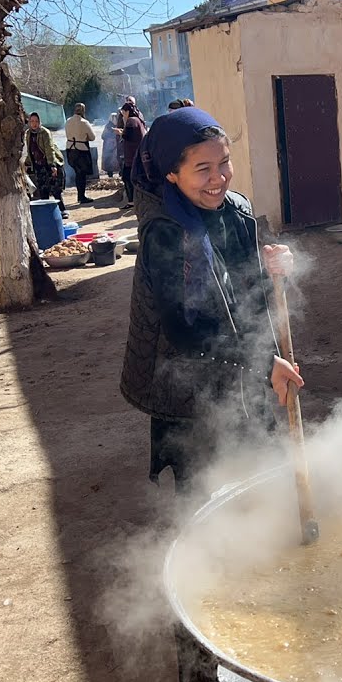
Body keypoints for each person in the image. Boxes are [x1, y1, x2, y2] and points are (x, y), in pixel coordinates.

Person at [120, 106, 303, 496]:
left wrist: (275, 264)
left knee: (259, 475)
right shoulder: (165, 233)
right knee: (206, 491)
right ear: (172, 173)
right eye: (202, 169)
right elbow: (182, 331)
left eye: (224, 163)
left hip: (241, 371)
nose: (218, 178)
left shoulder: (237, 210)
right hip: (187, 386)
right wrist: (262, 362)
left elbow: (248, 283)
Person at [24, 112, 66, 216]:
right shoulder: (28, 134)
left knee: (55, 190)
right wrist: (27, 164)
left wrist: (52, 165)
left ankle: (62, 210)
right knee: (43, 191)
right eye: (32, 121)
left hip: (48, 164)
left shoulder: (45, 133)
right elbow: (29, 150)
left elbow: (49, 149)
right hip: (38, 166)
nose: (34, 124)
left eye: (36, 121)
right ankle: (47, 213)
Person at [63, 102, 96, 204]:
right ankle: (81, 196)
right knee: (81, 174)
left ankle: (80, 195)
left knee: (78, 173)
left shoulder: (68, 121)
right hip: (81, 151)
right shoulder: (84, 122)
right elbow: (93, 137)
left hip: (70, 150)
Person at [118, 101, 147, 207]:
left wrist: (121, 133)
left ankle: (132, 201)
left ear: (127, 111)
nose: (122, 115)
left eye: (123, 112)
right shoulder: (137, 120)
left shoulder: (131, 121)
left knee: (128, 177)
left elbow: (128, 136)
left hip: (132, 156)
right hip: (136, 154)